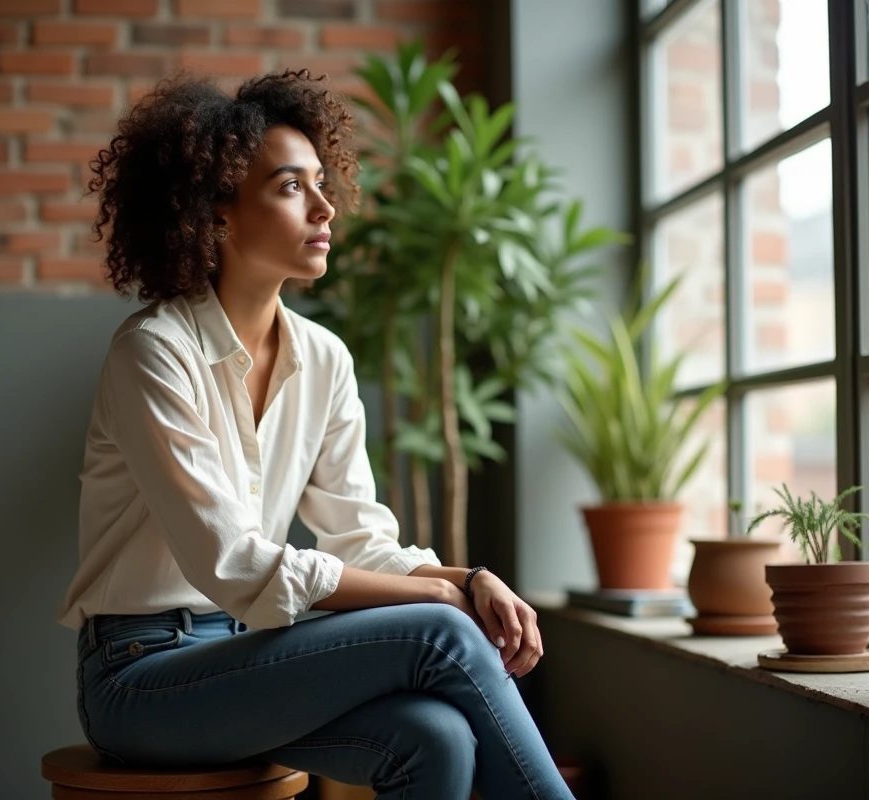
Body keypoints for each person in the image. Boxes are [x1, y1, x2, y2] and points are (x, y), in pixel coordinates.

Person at [56, 68, 575, 800]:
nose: (326, 206)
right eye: (291, 187)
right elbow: (232, 563)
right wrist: (444, 606)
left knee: (438, 738)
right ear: (219, 213)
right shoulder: (153, 352)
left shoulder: (323, 358)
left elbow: (361, 540)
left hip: (250, 655)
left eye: (322, 183)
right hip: (139, 676)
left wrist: (464, 580)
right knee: (442, 634)